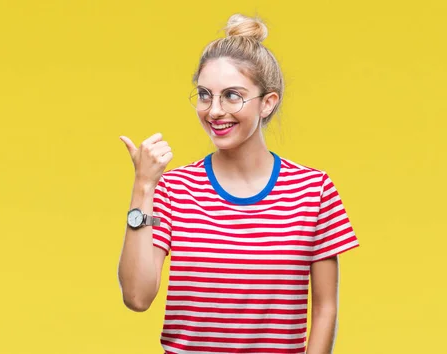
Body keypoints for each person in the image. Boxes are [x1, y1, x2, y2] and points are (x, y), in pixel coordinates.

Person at [117, 13, 359, 354]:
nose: (214, 111)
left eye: (232, 96)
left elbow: (324, 309)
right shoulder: (173, 189)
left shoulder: (313, 190)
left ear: (267, 103)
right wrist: (143, 186)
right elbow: (137, 297)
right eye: (204, 95)